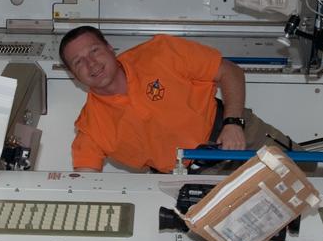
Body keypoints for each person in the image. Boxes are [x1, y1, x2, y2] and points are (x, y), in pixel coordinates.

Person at [61, 26, 292, 173]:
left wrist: (233, 123)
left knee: (311, 180)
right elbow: (84, 183)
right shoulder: (90, 128)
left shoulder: (161, 52)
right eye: (78, 62)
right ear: (73, 75)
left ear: (110, 48)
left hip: (240, 132)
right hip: (191, 178)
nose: (91, 64)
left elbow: (230, 72)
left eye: (94, 51)